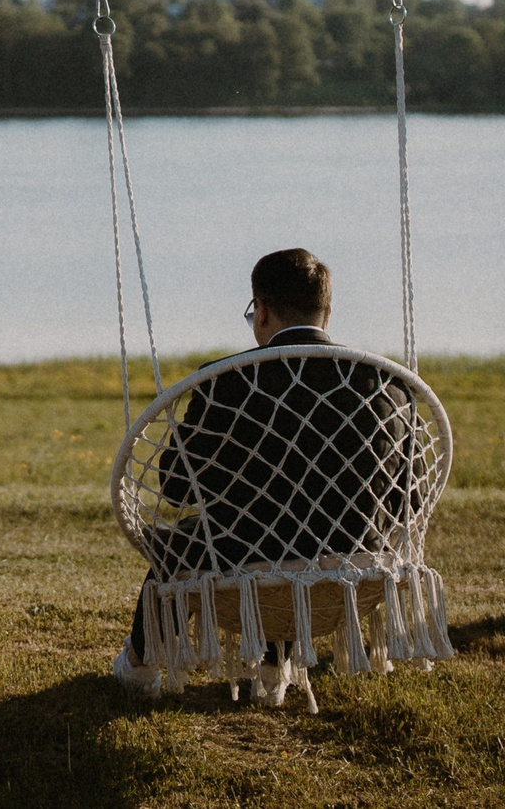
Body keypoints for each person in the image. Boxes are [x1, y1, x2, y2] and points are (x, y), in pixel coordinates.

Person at [114, 248, 401, 692]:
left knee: (180, 547)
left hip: (242, 556)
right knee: (284, 527)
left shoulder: (225, 381)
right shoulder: (386, 384)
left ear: (262, 310)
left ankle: (139, 664)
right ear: (327, 312)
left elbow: (175, 488)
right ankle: (272, 661)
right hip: (357, 557)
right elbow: (407, 497)